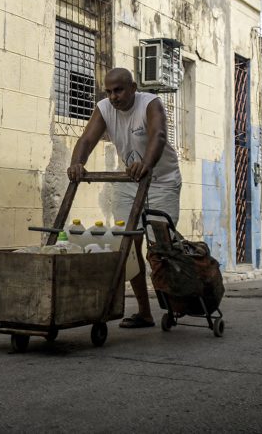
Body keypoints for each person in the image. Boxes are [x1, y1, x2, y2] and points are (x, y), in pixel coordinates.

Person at [67, 67, 182, 329]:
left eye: (118, 90)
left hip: (161, 181)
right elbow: (87, 139)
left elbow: (158, 135)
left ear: (133, 88)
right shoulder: (105, 108)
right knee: (128, 244)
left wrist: (146, 164)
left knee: (161, 247)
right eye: (108, 91)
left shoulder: (150, 103)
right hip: (129, 181)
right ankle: (144, 312)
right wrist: (77, 163)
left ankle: (177, 303)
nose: (113, 97)